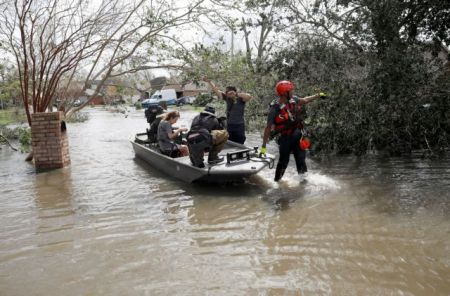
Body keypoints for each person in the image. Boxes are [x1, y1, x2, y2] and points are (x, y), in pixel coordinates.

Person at [260, 80, 327, 181]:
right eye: (290, 90)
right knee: (283, 162)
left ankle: (304, 184)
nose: (292, 92)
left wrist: (318, 95)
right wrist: (264, 147)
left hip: (297, 135)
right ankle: (277, 182)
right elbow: (268, 128)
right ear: (284, 93)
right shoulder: (275, 108)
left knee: (301, 159)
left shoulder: (294, 99)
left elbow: (304, 100)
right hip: (284, 138)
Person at [203, 78, 252, 144]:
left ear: (234, 92)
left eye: (229, 92)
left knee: (240, 143)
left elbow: (249, 97)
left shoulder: (241, 99)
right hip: (230, 125)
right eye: (227, 92)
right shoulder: (227, 98)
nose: (228, 94)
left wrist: (236, 94)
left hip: (239, 126)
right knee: (230, 142)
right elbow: (216, 90)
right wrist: (209, 82)